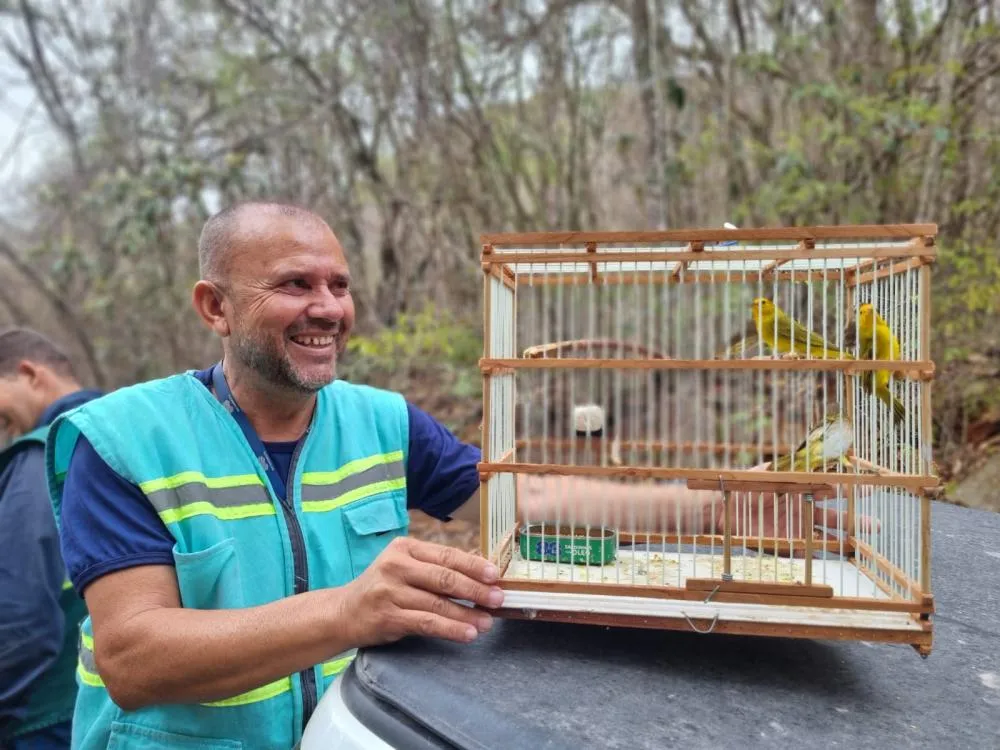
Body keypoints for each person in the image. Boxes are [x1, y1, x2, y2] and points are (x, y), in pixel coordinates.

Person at [47, 202, 849, 750]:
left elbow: (525, 499)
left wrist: (716, 511)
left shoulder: (381, 420)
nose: (328, 307)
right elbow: (134, 658)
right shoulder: (122, 440)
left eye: (339, 284)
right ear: (214, 308)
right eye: (294, 284)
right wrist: (352, 610)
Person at [0, 329, 102, 750]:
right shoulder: (128, 436)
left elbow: (20, 618)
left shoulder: (38, 458)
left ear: (29, 374)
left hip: (43, 717)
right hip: (117, 708)